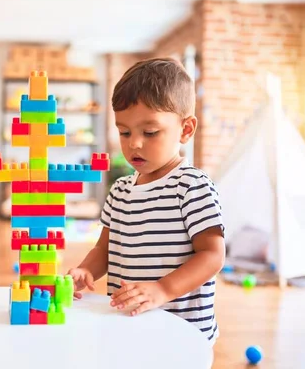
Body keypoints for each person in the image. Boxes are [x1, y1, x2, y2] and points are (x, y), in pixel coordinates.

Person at [67, 57, 226, 345]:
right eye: (124, 131)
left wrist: (163, 289)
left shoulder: (192, 186)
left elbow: (212, 255)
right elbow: (105, 247)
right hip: (129, 325)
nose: (134, 143)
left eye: (150, 132)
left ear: (186, 130)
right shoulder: (119, 191)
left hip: (182, 333)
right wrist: (86, 270)